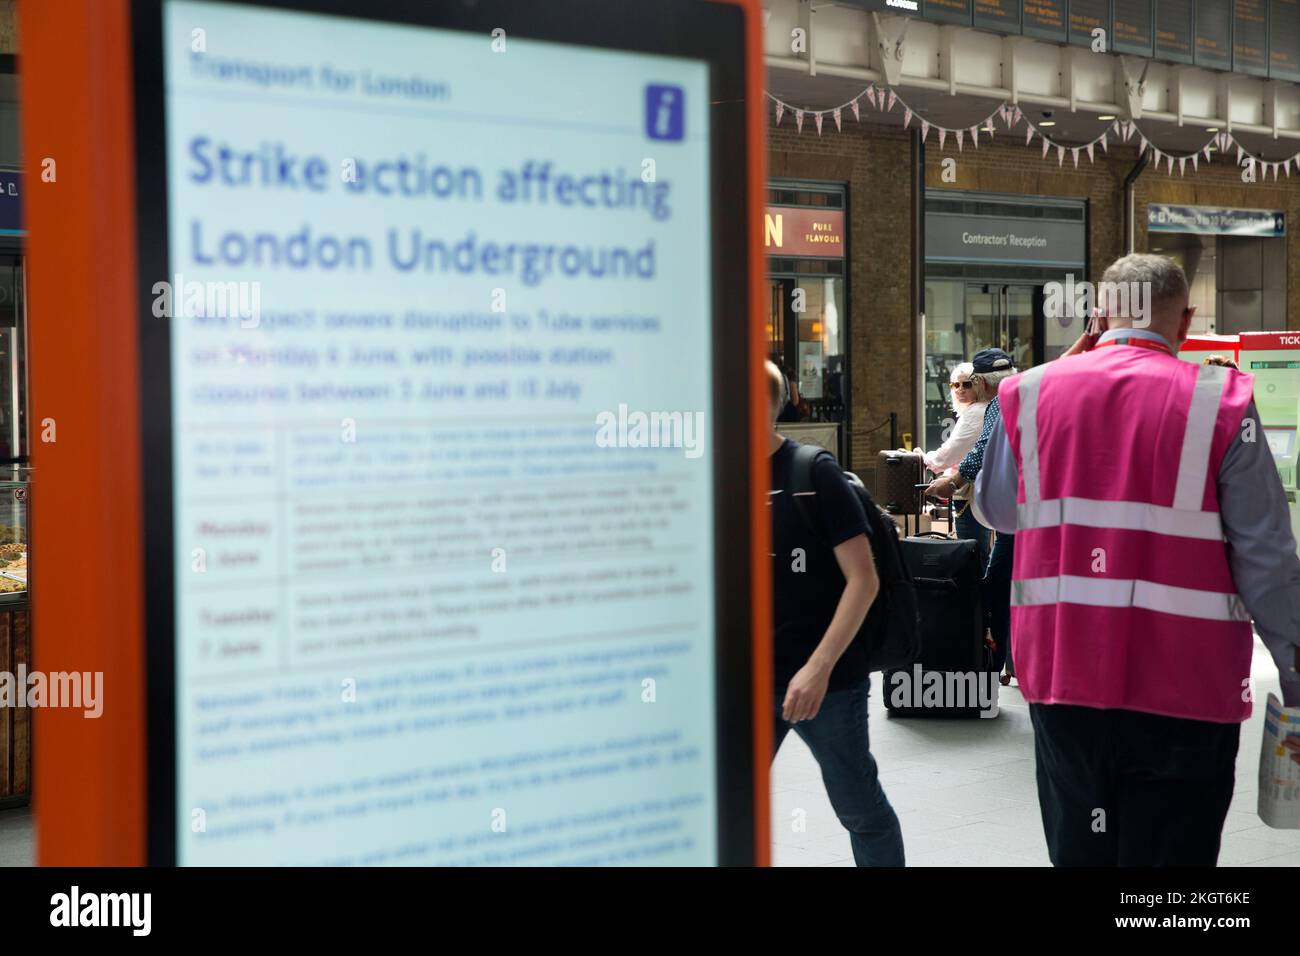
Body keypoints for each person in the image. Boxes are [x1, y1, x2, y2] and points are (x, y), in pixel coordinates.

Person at [975, 254, 1300, 866]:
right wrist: (1293, 670)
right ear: (1187, 320)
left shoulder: (1031, 392)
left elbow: (997, 512)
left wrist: (1061, 368)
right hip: (1188, 690)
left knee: (1083, 851)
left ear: (1099, 317)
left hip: (1062, 681)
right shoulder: (1221, 401)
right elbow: (1268, 559)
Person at [765, 359, 905, 867]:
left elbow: (863, 580)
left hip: (828, 682)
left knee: (858, 807)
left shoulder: (812, 472)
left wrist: (817, 669)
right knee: (724, 808)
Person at [925, 348, 1018, 683]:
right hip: (1043, 508)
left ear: (980, 382)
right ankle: (1009, 661)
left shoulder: (998, 404)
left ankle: (994, 665)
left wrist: (952, 481)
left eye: (967, 383)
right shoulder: (1027, 393)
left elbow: (981, 451)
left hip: (1014, 513)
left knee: (995, 584)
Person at [912, 362, 989, 568]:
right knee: (979, 549)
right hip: (975, 490)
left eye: (967, 384)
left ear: (978, 386)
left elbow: (951, 451)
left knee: (971, 552)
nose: (961, 389)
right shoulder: (978, 410)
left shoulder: (975, 413)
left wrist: (926, 459)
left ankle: (977, 596)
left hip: (968, 491)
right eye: (955, 385)